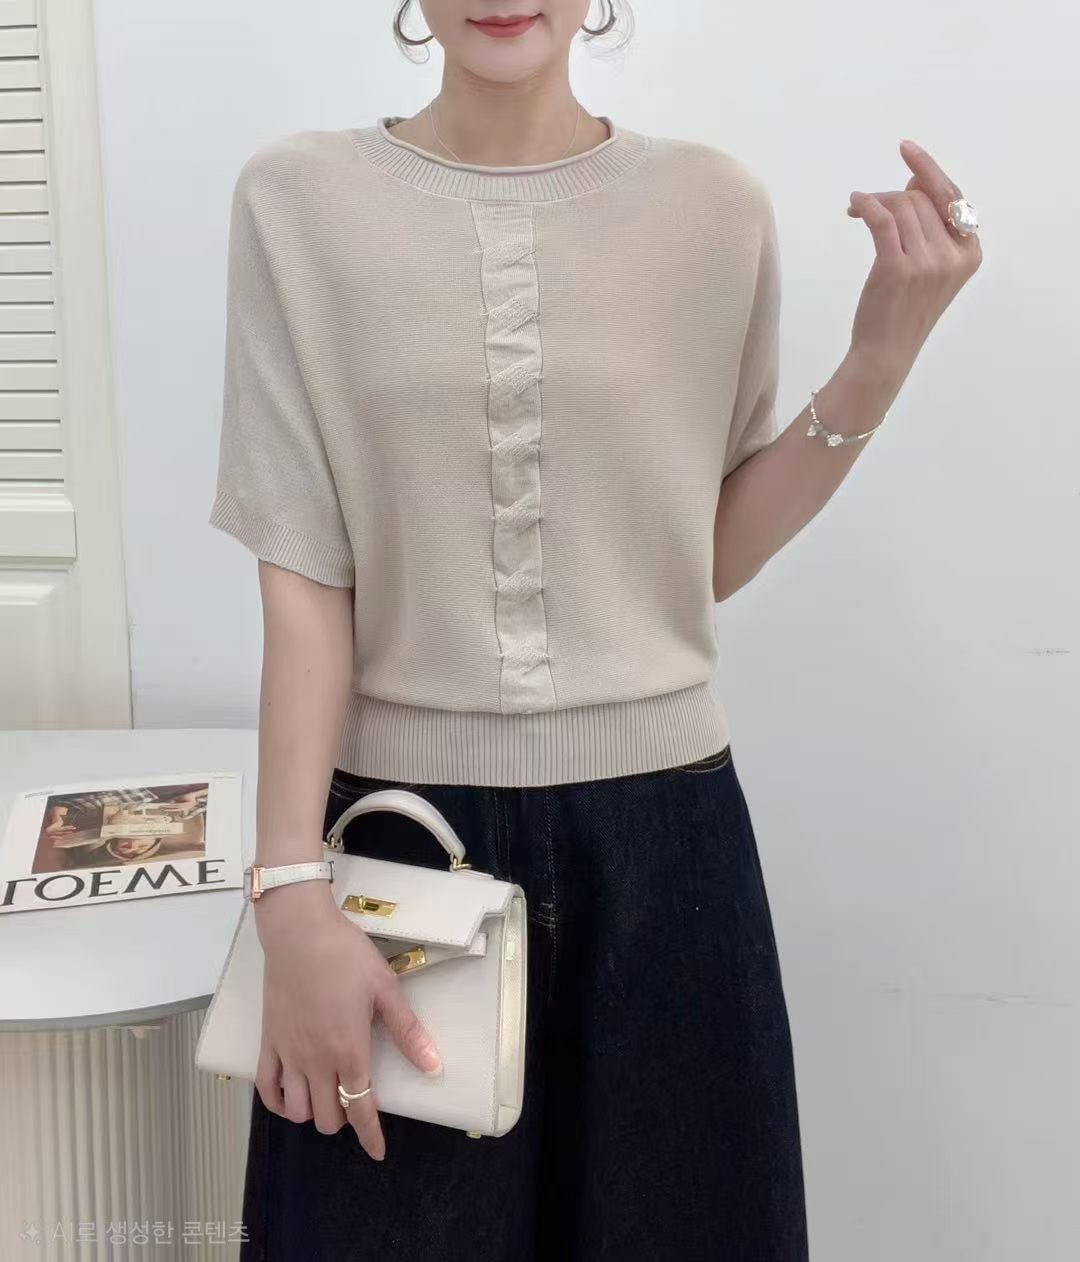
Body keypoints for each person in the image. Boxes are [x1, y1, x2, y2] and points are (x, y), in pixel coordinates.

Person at [206, 3, 982, 1258]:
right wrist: (288, 894)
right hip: (401, 839)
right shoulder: (298, 201)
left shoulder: (714, 210)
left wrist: (878, 357)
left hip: (669, 855)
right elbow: (304, 573)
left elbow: (702, 553)